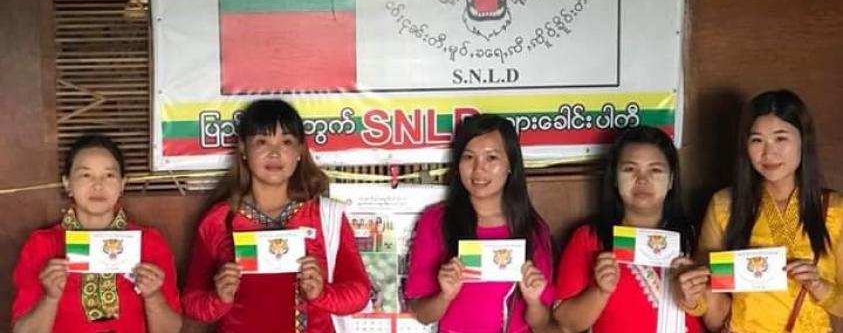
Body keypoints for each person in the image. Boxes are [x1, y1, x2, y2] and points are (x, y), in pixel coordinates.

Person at [182, 99, 370, 332]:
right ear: (243, 149)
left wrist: (321, 294)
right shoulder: (220, 220)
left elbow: (359, 293)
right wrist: (219, 298)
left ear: (300, 150)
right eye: (262, 141)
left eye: (286, 142)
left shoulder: (324, 216)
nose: (274, 153)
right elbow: (192, 302)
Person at [679, 90, 843, 333]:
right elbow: (706, 289)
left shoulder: (834, 211)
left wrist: (819, 285)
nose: (768, 153)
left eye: (780, 138)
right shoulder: (725, 205)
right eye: (757, 140)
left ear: (803, 140)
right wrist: (689, 290)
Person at [12, 134, 182, 333]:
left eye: (109, 175)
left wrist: (153, 297)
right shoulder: (43, 245)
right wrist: (50, 297)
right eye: (86, 175)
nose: (98, 185)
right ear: (67, 184)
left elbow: (171, 330)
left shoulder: (148, 243)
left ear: (122, 184)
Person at [405, 114, 554, 332]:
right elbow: (423, 314)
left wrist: (533, 301)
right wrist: (445, 296)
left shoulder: (532, 228)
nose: (478, 168)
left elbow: (541, 323)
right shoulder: (435, 221)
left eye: (491, 157)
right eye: (468, 157)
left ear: (511, 164)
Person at [553, 126, 703, 333]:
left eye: (655, 170)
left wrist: (697, 290)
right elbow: (566, 323)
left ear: (671, 180)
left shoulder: (695, 237)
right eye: (630, 169)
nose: (642, 179)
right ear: (614, 178)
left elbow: (720, 317)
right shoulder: (590, 238)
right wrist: (600, 291)